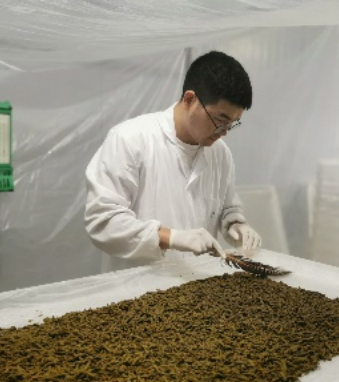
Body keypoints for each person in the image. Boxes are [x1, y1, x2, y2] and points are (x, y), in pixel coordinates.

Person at [85, 51, 261, 272]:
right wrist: (172, 237)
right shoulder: (130, 140)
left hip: (198, 282)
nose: (224, 132)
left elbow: (226, 207)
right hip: (138, 284)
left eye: (233, 123)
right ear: (190, 100)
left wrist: (236, 224)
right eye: (220, 120)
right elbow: (103, 221)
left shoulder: (220, 153)